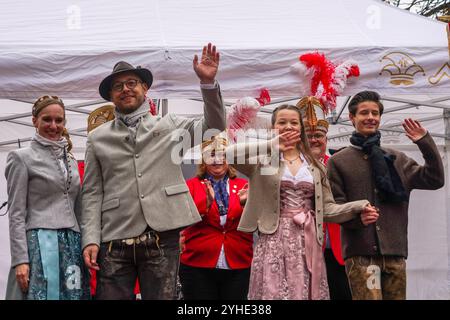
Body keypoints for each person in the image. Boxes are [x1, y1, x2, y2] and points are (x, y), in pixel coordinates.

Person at [81, 43, 226, 300]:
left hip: (162, 235)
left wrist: (208, 84)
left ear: (145, 88)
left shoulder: (169, 124)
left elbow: (213, 127)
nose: (125, 89)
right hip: (115, 237)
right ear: (111, 96)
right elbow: (92, 193)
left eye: (132, 82)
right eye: (118, 86)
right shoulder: (97, 138)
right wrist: (90, 239)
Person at [225, 104, 378, 300]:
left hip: (307, 240)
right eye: (282, 122)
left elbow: (328, 209)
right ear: (274, 128)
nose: (288, 126)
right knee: (274, 292)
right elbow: (228, 154)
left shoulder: (315, 166)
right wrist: (272, 144)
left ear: (301, 128)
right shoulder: (263, 161)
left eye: (294, 122)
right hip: (274, 237)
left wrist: (356, 207)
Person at [327, 91, 445, 300]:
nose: (370, 117)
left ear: (380, 118)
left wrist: (425, 142)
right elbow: (334, 207)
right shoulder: (339, 161)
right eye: (364, 113)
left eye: (375, 113)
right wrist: (356, 218)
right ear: (352, 118)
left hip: (395, 253)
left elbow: (434, 179)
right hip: (361, 255)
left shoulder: (397, 158)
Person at [5, 95, 90, 300]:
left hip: (72, 244)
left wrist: (86, 243)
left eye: (59, 120)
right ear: (35, 121)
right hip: (41, 244)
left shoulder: (69, 159)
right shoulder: (21, 157)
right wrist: (20, 260)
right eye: (47, 119)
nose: (53, 125)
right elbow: (16, 213)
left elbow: (79, 209)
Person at [179, 134, 252, 300]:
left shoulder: (243, 185)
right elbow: (182, 219)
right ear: (204, 160)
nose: (218, 160)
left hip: (238, 261)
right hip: (197, 264)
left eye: (223, 155)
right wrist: (206, 204)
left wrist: (245, 205)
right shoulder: (190, 185)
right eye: (212, 155)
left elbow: (255, 222)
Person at [297, 96, 352, 300]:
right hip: (302, 250)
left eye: (319, 135)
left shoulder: (340, 166)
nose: (314, 140)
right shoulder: (290, 169)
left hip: (337, 250)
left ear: (326, 138)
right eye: (309, 135)